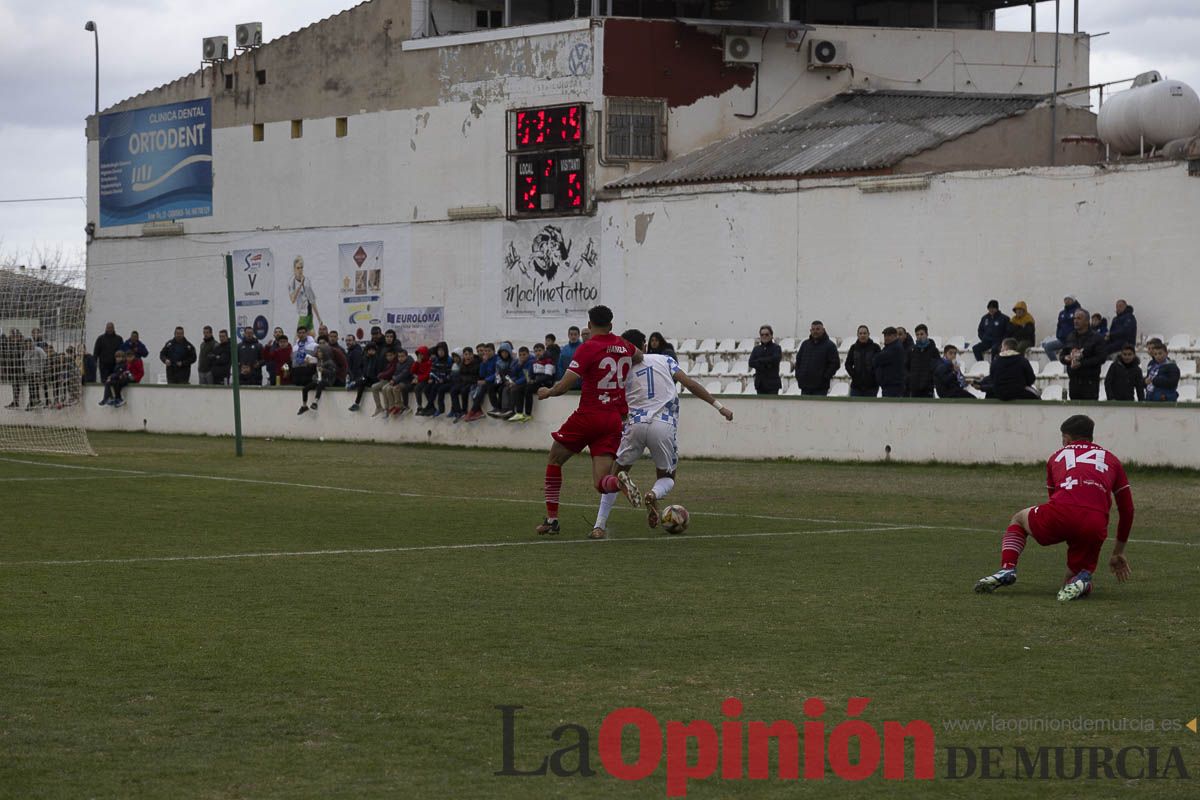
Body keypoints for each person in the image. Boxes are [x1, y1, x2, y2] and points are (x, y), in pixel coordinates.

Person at [974, 415, 1134, 601]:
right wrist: (1118, 552)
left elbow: (1054, 498)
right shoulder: (1112, 460)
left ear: (1066, 438)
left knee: (1019, 518)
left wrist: (1065, 527)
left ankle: (1007, 568)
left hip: (1062, 513)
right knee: (1070, 580)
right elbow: (1128, 509)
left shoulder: (1056, 456)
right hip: (1095, 522)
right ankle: (1082, 581)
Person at [591, 329, 734, 539]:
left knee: (615, 476)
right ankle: (653, 494)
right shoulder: (664, 359)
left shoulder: (622, 369)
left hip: (635, 424)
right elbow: (691, 384)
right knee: (667, 477)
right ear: (645, 345)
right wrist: (719, 406)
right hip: (663, 424)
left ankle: (599, 526)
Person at [534, 305, 641, 536]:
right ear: (611, 325)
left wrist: (548, 392)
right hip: (613, 420)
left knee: (554, 459)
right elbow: (639, 356)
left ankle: (552, 520)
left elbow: (566, 384)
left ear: (590, 326)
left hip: (589, 415)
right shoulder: (625, 346)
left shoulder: (588, 347)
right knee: (601, 481)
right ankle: (618, 483)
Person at [1059, 308, 1105, 401]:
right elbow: (1062, 355)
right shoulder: (1070, 336)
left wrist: (1082, 363)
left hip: (1090, 383)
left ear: (1087, 321)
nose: (1075, 321)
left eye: (1079, 318)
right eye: (1075, 318)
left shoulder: (1097, 338)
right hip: (1074, 382)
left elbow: (1101, 358)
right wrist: (1066, 358)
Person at [794, 320, 840, 396]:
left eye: (818, 329)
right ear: (810, 331)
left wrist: (824, 378)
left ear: (823, 330)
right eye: (813, 329)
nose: (815, 331)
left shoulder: (830, 345)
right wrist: (799, 376)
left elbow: (835, 364)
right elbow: (798, 362)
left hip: (820, 388)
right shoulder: (805, 344)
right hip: (805, 387)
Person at [297, 339, 337, 414]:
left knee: (320, 384)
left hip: (327, 381)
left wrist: (324, 370)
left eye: (320, 352)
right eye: (318, 351)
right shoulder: (318, 361)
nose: (318, 353)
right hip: (318, 380)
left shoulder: (330, 362)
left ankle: (315, 402)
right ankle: (304, 405)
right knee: (305, 389)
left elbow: (333, 373)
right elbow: (315, 371)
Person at [1041, 295, 1081, 363]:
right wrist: (1058, 335)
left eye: (1069, 299)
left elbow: (1080, 326)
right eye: (1065, 299)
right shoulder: (1062, 313)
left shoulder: (1078, 311)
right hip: (1062, 340)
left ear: (1073, 300)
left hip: (1073, 342)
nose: (1067, 301)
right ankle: (1056, 364)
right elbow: (1059, 325)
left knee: (1070, 355)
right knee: (1048, 347)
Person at [843, 325, 880, 398]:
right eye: (860, 333)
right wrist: (854, 375)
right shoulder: (853, 348)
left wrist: (873, 376)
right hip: (856, 386)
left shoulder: (875, 347)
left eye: (864, 333)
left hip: (872, 386)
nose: (862, 335)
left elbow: (879, 365)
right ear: (857, 335)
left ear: (868, 334)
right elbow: (848, 364)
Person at [288, 255, 322, 329]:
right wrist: (300, 286)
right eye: (298, 268)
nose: (300, 270)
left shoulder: (307, 281)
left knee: (309, 337)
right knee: (299, 337)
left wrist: (319, 319)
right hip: (302, 314)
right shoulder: (292, 282)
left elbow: (312, 300)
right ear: (294, 269)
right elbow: (293, 299)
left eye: (301, 268)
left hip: (308, 314)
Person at [905, 324, 939, 398]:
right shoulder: (912, 351)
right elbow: (907, 367)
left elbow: (936, 368)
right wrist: (910, 380)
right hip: (914, 389)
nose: (919, 336)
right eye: (917, 334)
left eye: (922, 334)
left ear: (927, 334)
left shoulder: (933, 351)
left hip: (928, 389)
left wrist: (930, 381)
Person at [421, 342, 453, 417]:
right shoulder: (436, 360)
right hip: (436, 379)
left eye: (442, 350)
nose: (440, 352)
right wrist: (431, 378)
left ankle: (432, 406)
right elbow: (432, 370)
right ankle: (431, 407)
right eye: (439, 351)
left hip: (445, 381)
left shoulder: (449, 360)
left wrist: (444, 379)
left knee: (436, 388)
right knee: (426, 389)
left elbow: (450, 374)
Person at [748, 325, 782, 395]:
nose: (764, 336)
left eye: (767, 334)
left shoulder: (776, 348)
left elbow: (775, 360)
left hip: (772, 385)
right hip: (760, 384)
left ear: (771, 335)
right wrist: (766, 363)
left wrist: (759, 360)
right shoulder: (756, 349)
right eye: (762, 334)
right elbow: (751, 363)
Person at [873, 327, 906, 398]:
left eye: (889, 335)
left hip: (893, 386)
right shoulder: (889, 347)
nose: (886, 338)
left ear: (895, 336)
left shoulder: (896, 348)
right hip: (888, 385)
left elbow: (878, 359)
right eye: (885, 336)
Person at [384, 348, 416, 416]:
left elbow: (404, 374)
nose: (400, 358)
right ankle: (392, 406)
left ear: (406, 356)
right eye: (399, 356)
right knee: (387, 388)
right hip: (399, 381)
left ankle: (400, 406)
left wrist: (395, 380)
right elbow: (396, 373)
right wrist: (393, 378)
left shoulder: (409, 363)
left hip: (408, 382)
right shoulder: (398, 364)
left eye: (402, 356)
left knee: (396, 388)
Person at [349, 340, 379, 412]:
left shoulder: (377, 359)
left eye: (373, 350)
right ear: (367, 350)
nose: (371, 351)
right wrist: (363, 375)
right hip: (366, 379)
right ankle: (356, 403)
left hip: (374, 379)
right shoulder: (364, 358)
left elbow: (377, 371)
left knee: (362, 381)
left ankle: (353, 384)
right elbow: (360, 368)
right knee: (361, 383)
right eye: (370, 350)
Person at [451, 347, 479, 421]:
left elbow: (476, 377)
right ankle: (458, 411)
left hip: (472, 383)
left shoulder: (476, 363)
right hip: (464, 382)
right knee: (453, 390)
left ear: (472, 355)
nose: (468, 356)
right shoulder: (463, 364)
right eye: (466, 354)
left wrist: (465, 379)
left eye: (469, 354)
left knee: (464, 390)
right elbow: (461, 375)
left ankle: (464, 410)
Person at [371, 348, 398, 416]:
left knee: (382, 388)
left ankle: (387, 408)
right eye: (387, 356)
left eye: (390, 355)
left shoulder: (395, 363)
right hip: (386, 380)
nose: (389, 357)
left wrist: (380, 375)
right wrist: (381, 375)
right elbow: (386, 372)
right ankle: (379, 407)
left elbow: (389, 373)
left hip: (390, 381)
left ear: (394, 355)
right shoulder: (389, 363)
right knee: (374, 387)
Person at [21, 338, 47, 409]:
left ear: (32, 343)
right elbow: (25, 362)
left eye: (29, 342)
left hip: (37, 372)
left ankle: (38, 401)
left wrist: (41, 369)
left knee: (36, 386)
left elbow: (44, 357)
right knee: (30, 387)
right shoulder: (26, 351)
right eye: (26, 343)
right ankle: (32, 401)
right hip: (29, 372)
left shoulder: (38, 350)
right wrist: (26, 371)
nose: (28, 344)